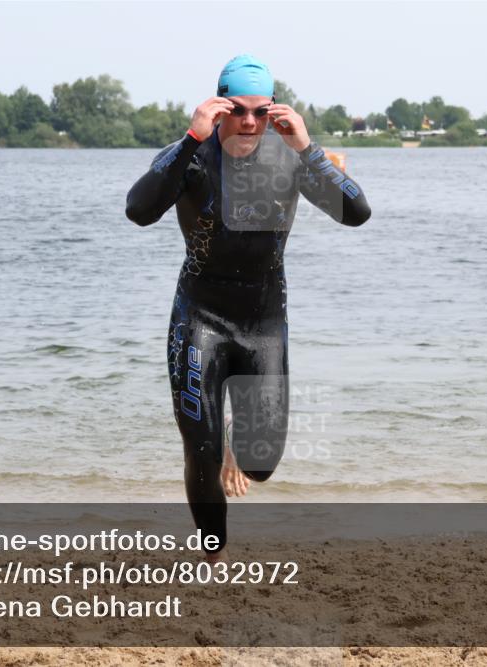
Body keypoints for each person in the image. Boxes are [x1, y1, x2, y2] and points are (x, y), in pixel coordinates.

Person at [125, 55, 371, 561]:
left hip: (263, 322)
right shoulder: (188, 154)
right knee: (201, 448)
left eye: (262, 112)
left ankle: (238, 441)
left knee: (259, 465)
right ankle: (213, 553)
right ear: (218, 108)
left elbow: (357, 214)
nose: (250, 123)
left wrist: (307, 146)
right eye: (237, 110)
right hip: (199, 317)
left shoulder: (291, 156)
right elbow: (138, 210)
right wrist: (192, 138)